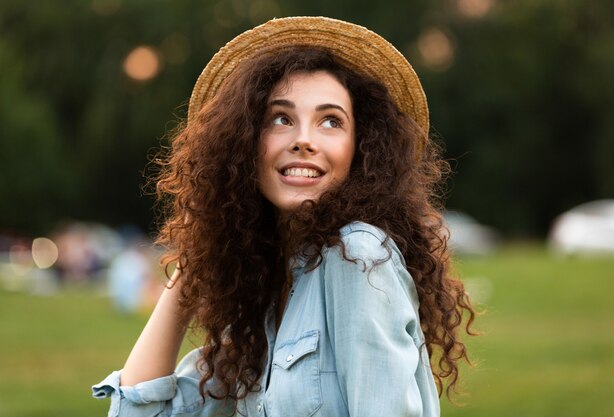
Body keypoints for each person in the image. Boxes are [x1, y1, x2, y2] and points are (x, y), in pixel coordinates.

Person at [93, 16, 475, 417]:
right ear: (244, 144)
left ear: (360, 149)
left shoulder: (357, 254)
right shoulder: (264, 288)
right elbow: (139, 413)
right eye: (281, 118)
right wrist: (198, 258)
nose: (304, 140)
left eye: (331, 121)